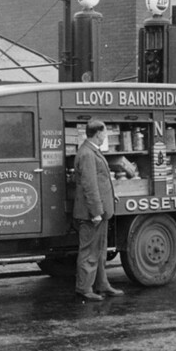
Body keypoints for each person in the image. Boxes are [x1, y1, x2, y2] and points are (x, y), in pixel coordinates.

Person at [73, 120, 124, 301]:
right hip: (92, 213)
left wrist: (110, 195)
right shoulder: (87, 153)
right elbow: (89, 185)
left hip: (100, 209)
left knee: (100, 250)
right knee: (89, 251)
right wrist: (95, 212)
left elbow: (99, 180)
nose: (105, 136)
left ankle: (102, 284)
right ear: (97, 134)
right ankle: (84, 288)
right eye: (104, 133)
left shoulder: (91, 150)